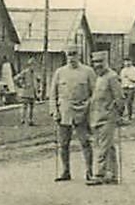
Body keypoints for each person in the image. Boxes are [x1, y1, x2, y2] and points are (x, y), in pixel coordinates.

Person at [51, 47, 96, 182]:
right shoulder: (60, 72)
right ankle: (65, 171)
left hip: (82, 112)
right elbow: (53, 94)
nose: (71, 58)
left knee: (85, 142)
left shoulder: (88, 72)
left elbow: (95, 93)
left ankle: (89, 171)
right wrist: (54, 111)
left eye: (74, 54)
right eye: (69, 55)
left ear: (79, 55)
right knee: (63, 144)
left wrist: (89, 109)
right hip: (64, 112)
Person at [87, 51, 125, 185]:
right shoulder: (98, 78)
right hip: (97, 117)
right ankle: (113, 175)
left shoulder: (112, 77)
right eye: (95, 63)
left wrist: (119, 114)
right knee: (108, 146)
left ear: (106, 62)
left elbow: (119, 97)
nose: (98, 65)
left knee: (102, 147)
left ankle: (99, 174)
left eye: (100, 62)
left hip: (108, 117)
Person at [14, 61, 40, 125]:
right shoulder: (25, 72)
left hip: (32, 92)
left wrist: (37, 89)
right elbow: (15, 78)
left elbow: (37, 82)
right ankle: (22, 119)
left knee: (31, 107)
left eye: (34, 66)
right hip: (26, 92)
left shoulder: (35, 73)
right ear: (29, 65)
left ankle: (30, 120)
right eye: (32, 65)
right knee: (24, 106)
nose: (33, 67)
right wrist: (21, 85)